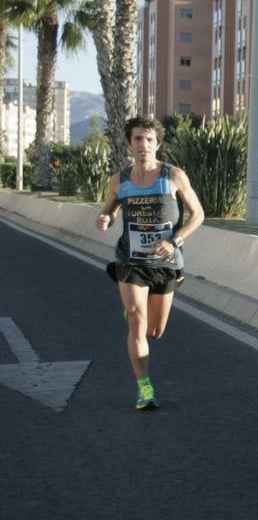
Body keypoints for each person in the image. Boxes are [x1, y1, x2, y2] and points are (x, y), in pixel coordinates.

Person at [96, 117, 204, 410]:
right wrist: (106, 218)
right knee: (136, 320)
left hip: (165, 262)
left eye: (148, 139)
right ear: (129, 143)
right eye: (137, 139)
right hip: (130, 260)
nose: (142, 145)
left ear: (158, 143)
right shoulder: (120, 180)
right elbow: (109, 209)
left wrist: (175, 239)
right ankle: (145, 389)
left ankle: (137, 313)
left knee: (155, 331)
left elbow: (198, 214)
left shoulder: (173, 176)